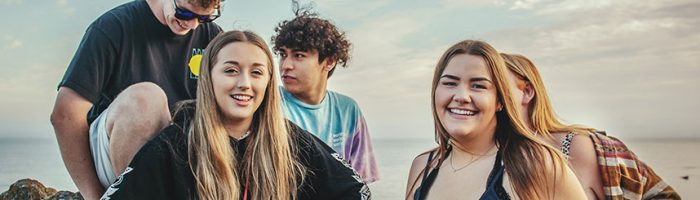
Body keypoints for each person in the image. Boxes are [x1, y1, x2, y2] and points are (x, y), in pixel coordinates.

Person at [100, 30, 371, 200]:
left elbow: (355, 191)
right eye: (230, 70)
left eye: (256, 72)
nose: (244, 83)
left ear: (267, 82)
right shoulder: (175, 145)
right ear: (209, 78)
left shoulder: (291, 142)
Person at [49, 0, 223, 199]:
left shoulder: (212, 36)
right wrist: (94, 195)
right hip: (116, 152)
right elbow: (65, 115)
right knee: (146, 100)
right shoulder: (113, 27)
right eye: (184, 13)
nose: (192, 25)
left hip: (181, 160)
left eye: (204, 17)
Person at [405, 40, 587, 200]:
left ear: (500, 100)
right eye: (450, 83)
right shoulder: (422, 167)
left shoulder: (536, 164)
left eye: (478, 86)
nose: (461, 96)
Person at [500, 53, 681, 199]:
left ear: (527, 92)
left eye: (499, 87)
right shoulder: (492, 153)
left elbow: (664, 195)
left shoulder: (578, 146)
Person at [271, 11, 379, 183]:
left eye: (299, 55)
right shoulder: (270, 103)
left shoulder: (348, 110)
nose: (285, 65)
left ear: (329, 61)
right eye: (283, 54)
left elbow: (358, 184)